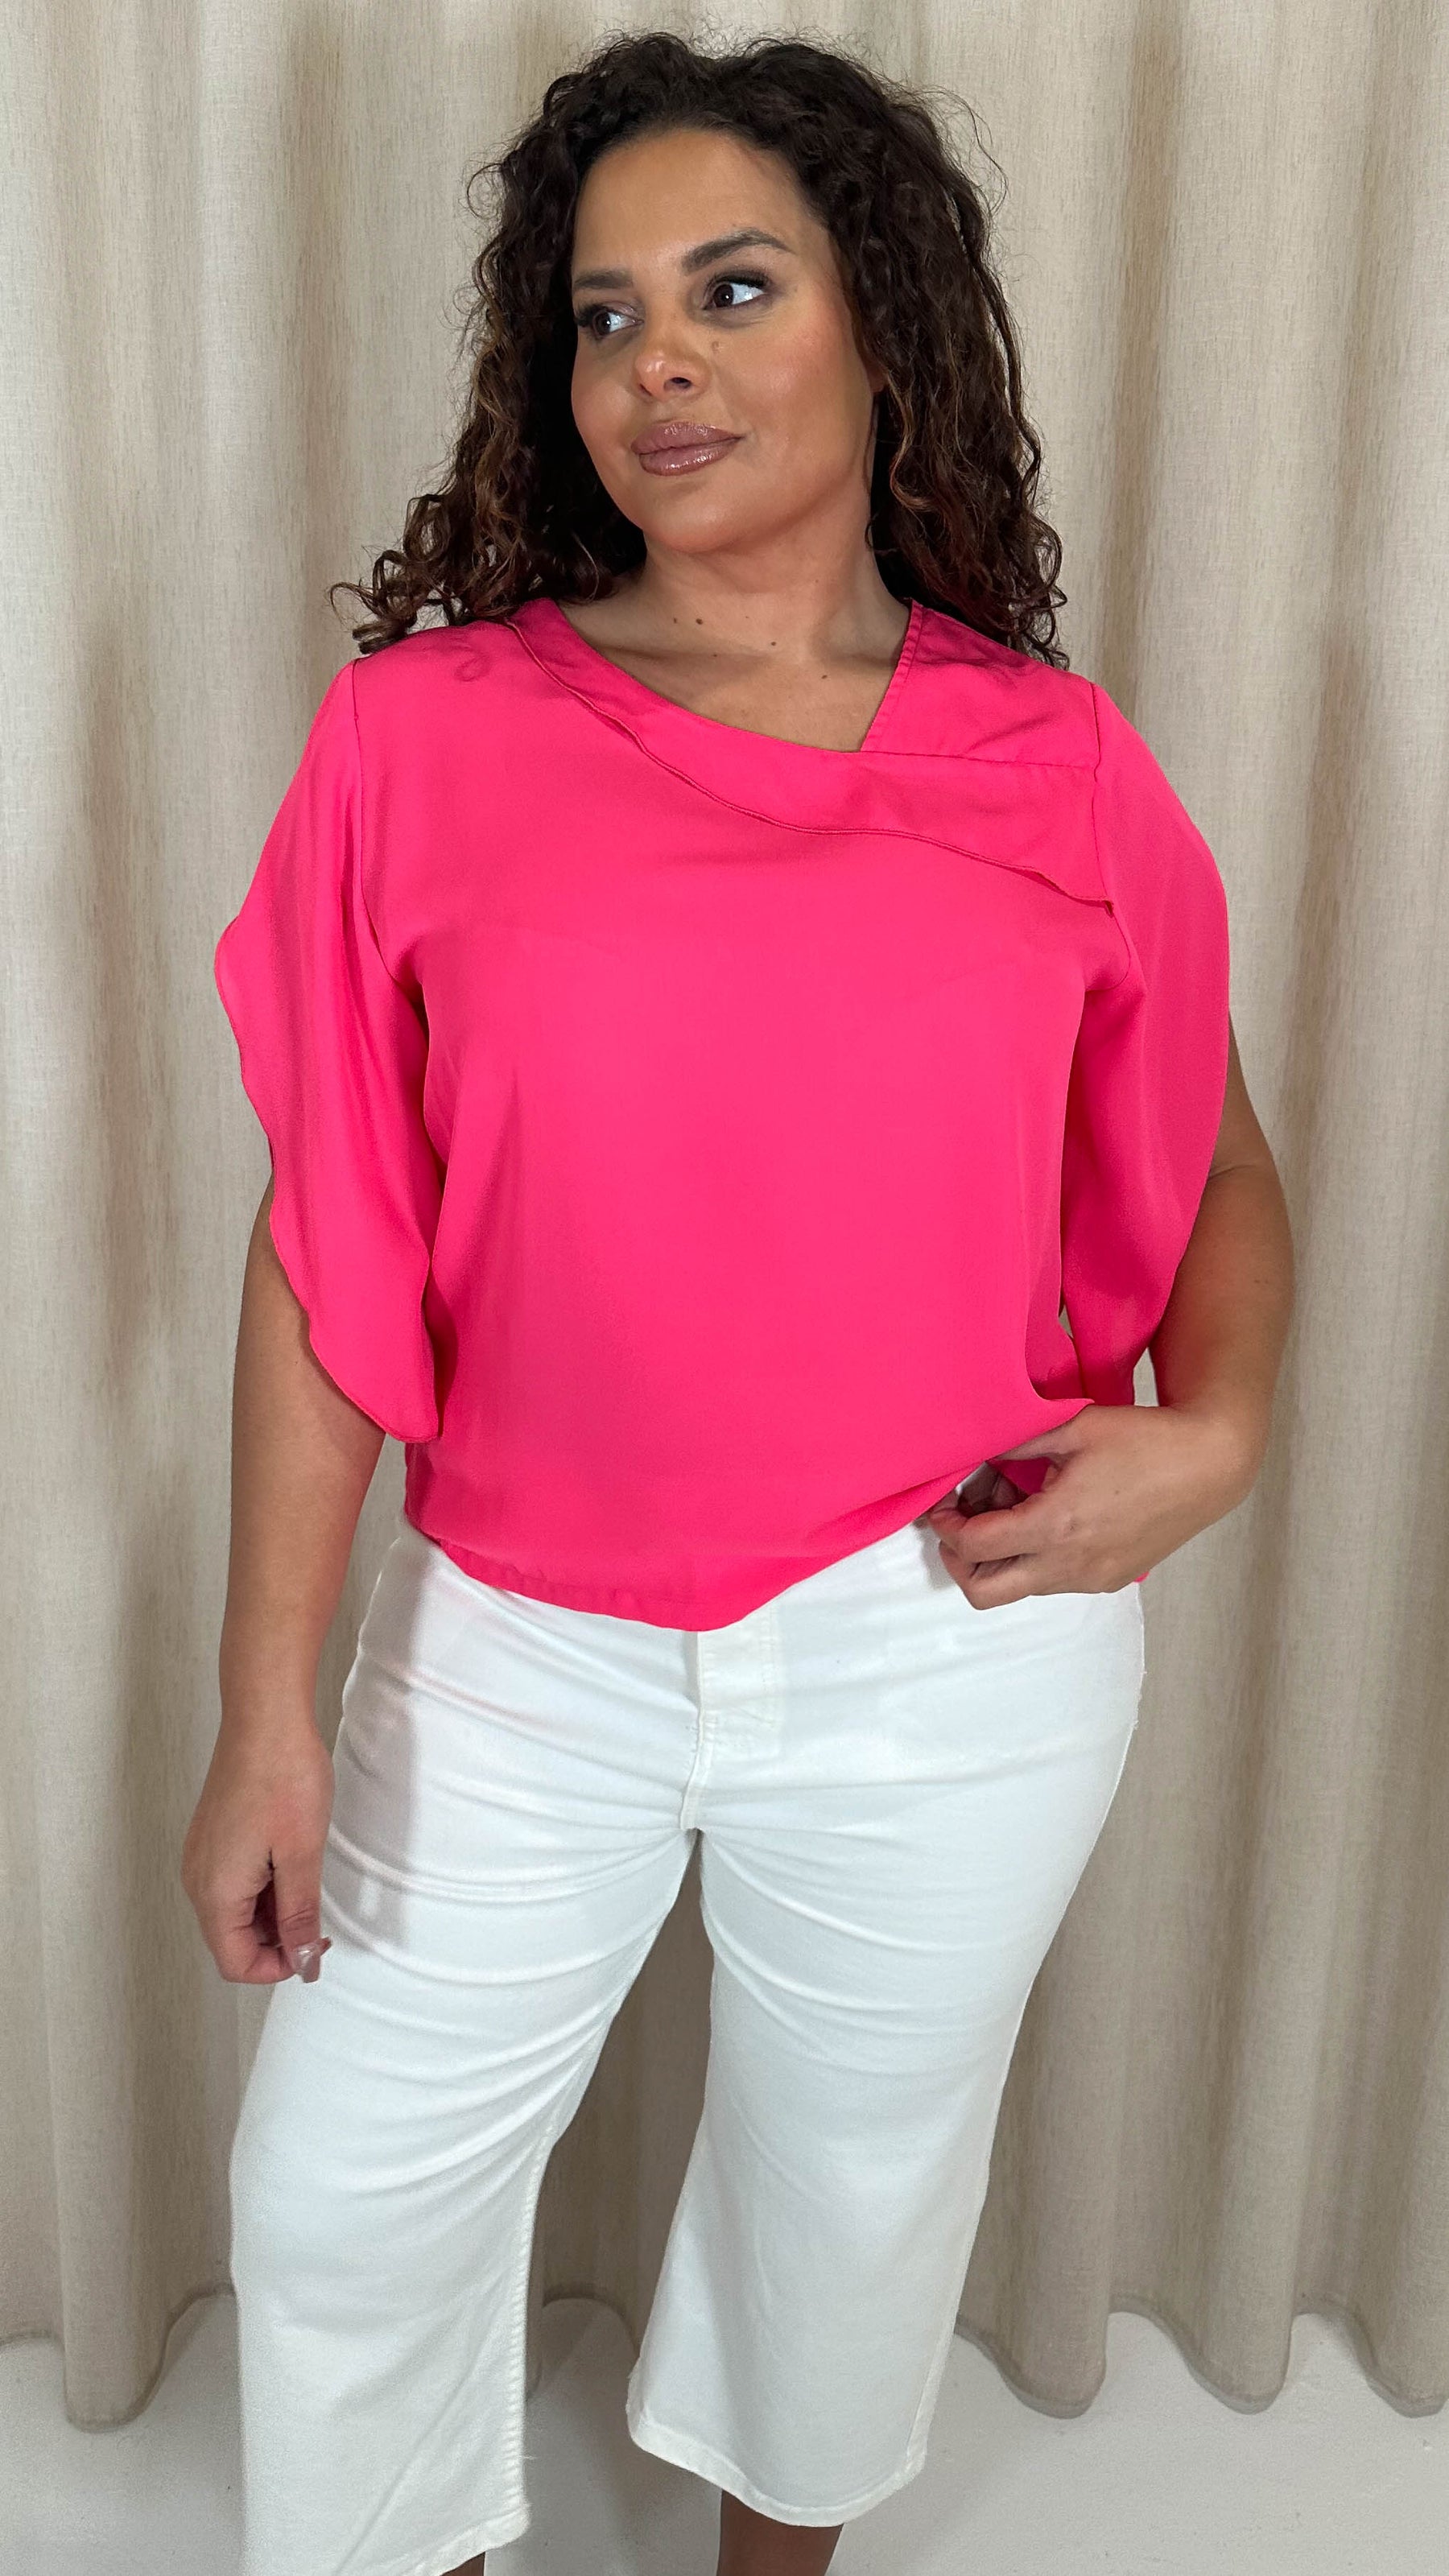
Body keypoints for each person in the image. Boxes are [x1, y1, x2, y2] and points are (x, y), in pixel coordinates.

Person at [181, 29, 1294, 2576]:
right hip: (515, 1642)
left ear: (882, 330)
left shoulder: (1058, 765)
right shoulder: (421, 741)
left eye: (731, 290)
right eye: (603, 315)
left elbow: (1220, 1155)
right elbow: (328, 1234)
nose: (655, 362)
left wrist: (1218, 1430)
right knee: (339, 2213)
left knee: (851, 2200)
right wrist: (266, 1710)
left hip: (951, 1634)